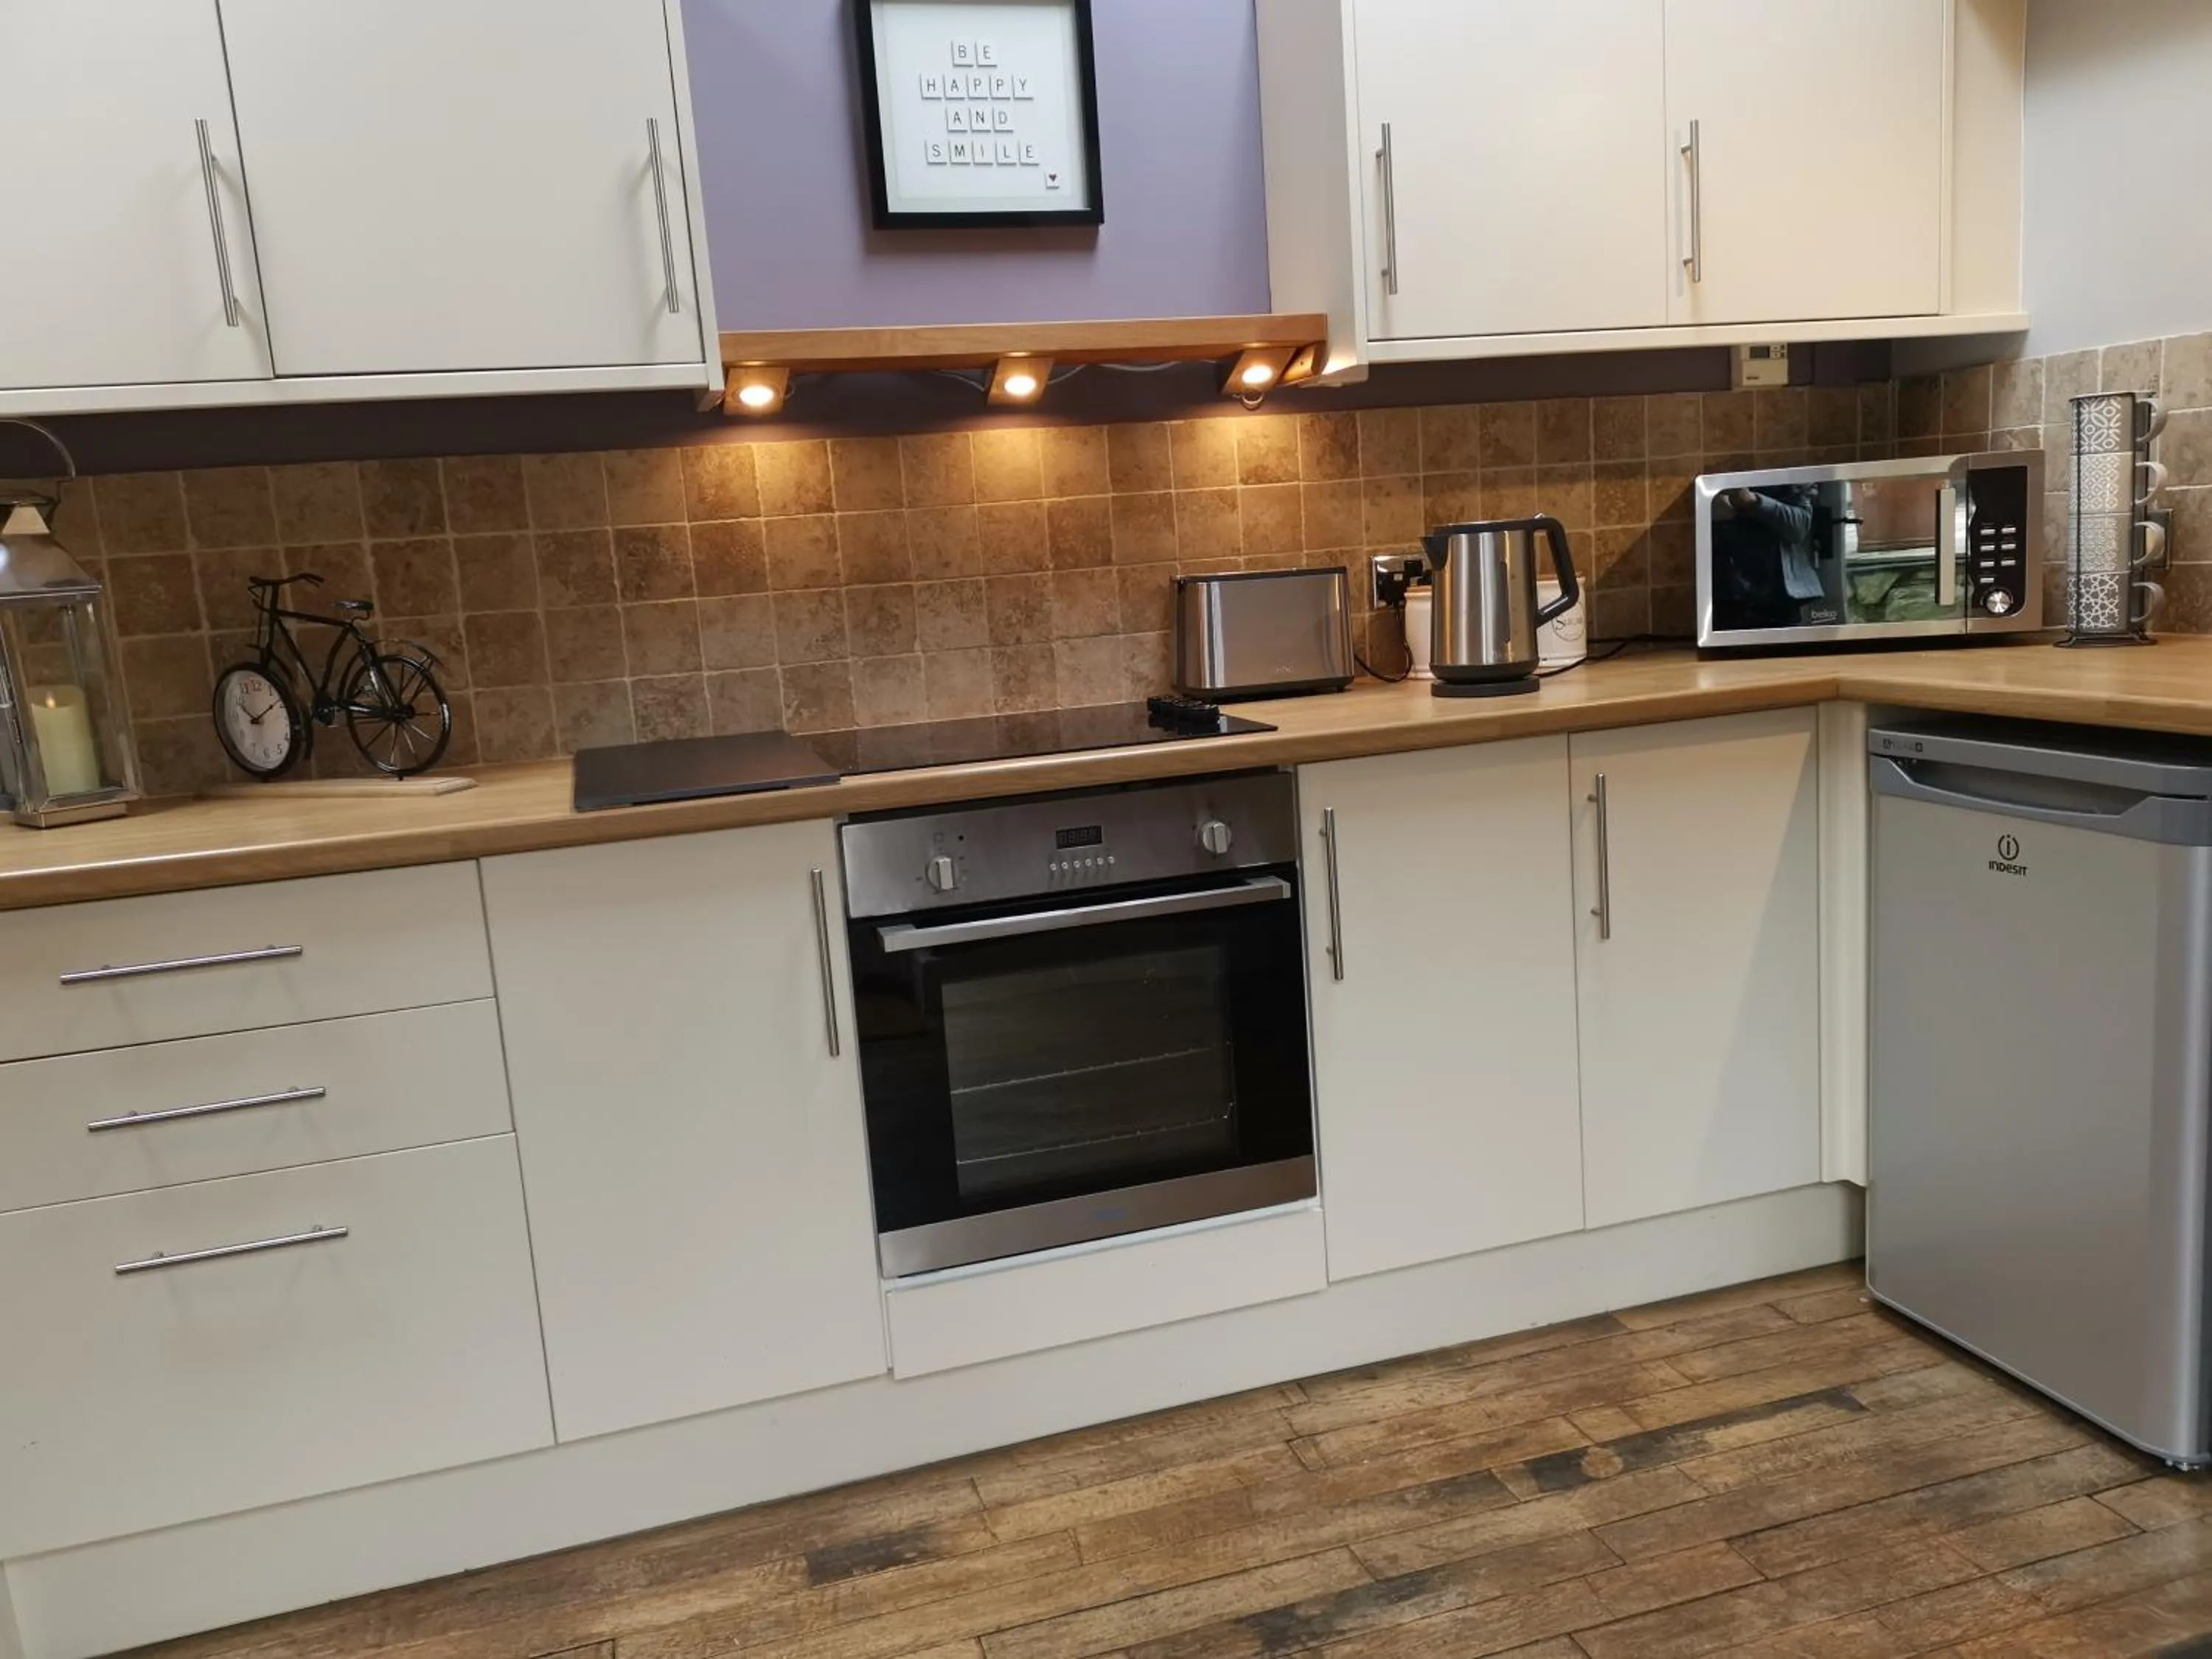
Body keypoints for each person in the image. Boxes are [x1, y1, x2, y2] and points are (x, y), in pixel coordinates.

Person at [1711, 483, 1824, 630]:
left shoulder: (1792, 472)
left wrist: (1754, 502)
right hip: (1727, 592)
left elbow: (1799, 527)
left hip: (1778, 597)